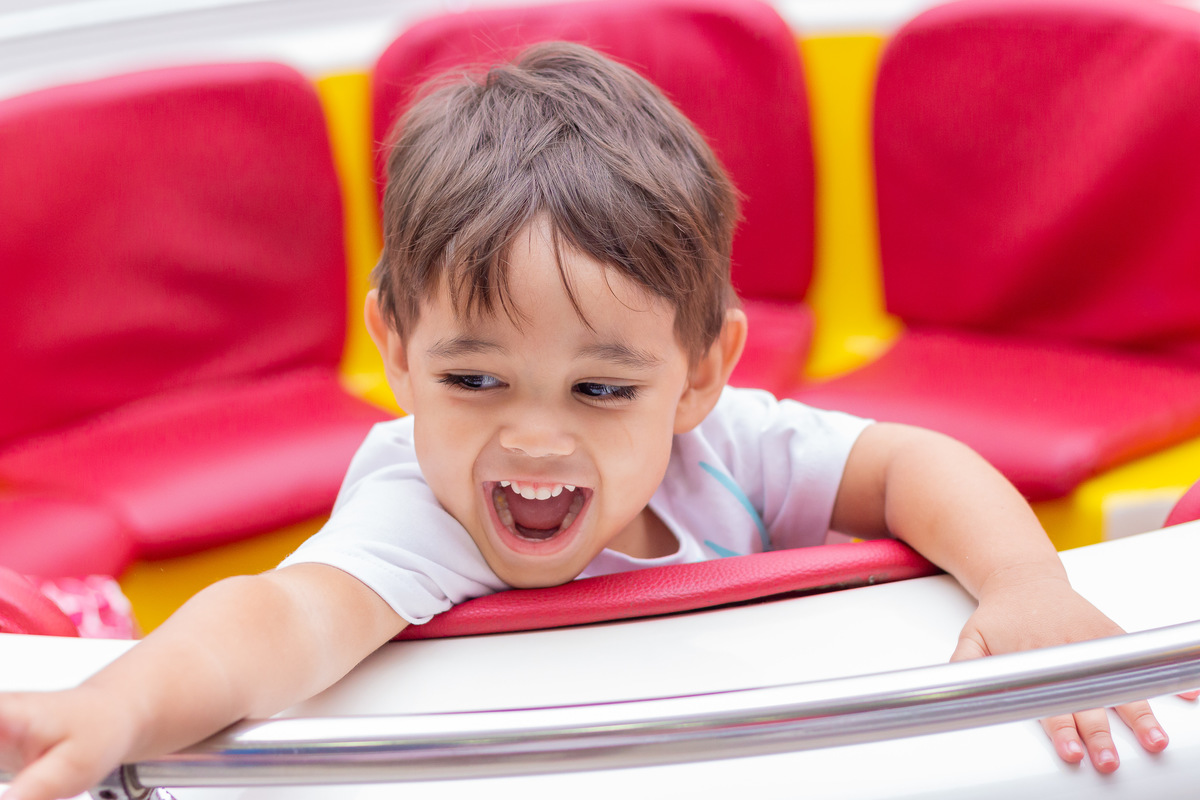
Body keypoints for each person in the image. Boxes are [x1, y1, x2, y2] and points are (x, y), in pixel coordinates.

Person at [0, 41, 1190, 800]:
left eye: (601, 389)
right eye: (476, 381)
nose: (530, 439)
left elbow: (912, 464)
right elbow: (275, 618)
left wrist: (1024, 583)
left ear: (698, 373)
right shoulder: (423, 506)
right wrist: (119, 705)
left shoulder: (725, 447)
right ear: (398, 351)